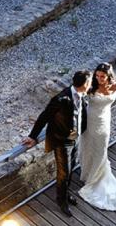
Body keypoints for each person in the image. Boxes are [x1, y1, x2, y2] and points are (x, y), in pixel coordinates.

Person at [22, 70, 91, 217]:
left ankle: (66, 195)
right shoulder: (61, 99)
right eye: (89, 83)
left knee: (71, 168)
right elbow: (44, 116)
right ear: (84, 84)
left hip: (75, 138)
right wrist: (33, 136)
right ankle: (61, 201)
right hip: (62, 142)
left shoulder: (83, 94)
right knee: (63, 173)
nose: (90, 85)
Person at [78, 63, 116, 211]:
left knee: (101, 150)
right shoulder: (91, 87)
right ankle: (86, 174)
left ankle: (95, 177)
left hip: (104, 123)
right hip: (89, 122)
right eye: (97, 75)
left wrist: (115, 89)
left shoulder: (115, 86)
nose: (99, 78)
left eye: (102, 76)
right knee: (87, 147)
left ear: (108, 76)